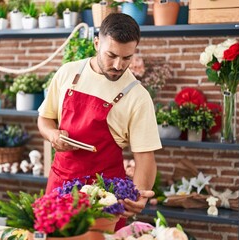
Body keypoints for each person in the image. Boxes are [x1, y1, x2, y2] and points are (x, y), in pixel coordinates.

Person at [37, 13, 162, 229]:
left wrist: (138, 195)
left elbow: (145, 158)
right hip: (59, 187)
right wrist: (52, 135)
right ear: (97, 43)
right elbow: (45, 119)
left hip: (105, 199)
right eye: (111, 55)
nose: (118, 65)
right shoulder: (68, 72)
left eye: (126, 58)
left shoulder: (137, 96)